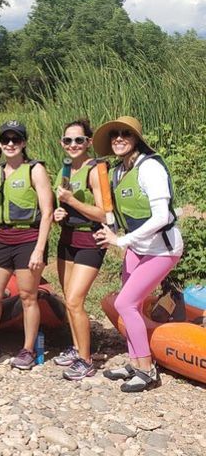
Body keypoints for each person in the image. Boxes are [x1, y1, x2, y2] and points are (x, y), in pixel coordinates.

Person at [93, 116, 182, 392]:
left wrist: (122, 241)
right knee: (131, 303)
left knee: (125, 304)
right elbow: (122, 215)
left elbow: (161, 216)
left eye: (126, 134)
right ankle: (134, 361)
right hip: (137, 247)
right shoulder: (118, 171)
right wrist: (111, 233)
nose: (119, 138)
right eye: (115, 135)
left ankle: (147, 370)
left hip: (163, 249)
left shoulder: (150, 168)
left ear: (136, 140)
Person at [0, 120, 53, 370]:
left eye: (16, 139)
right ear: (0, 143)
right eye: (6, 139)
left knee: (29, 297)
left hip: (28, 240)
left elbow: (48, 211)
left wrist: (39, 249)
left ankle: (28, 349)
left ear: (24, 143)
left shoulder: (35, 169)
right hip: (2, 240)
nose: (11, 144)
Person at [52, 119, 106, 380]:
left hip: (90, 242)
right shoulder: (65, 171)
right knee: (68, 299)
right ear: (62, 143)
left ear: (89, 142)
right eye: (68, 140)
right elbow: (62, 208)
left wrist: (71, 199)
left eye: (78, 140)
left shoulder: (96, 170)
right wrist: (59, 212)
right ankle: (76, 348)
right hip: (67, 239)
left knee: (75, 301)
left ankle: (86, 360)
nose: (73, 145)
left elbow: (104, 213)